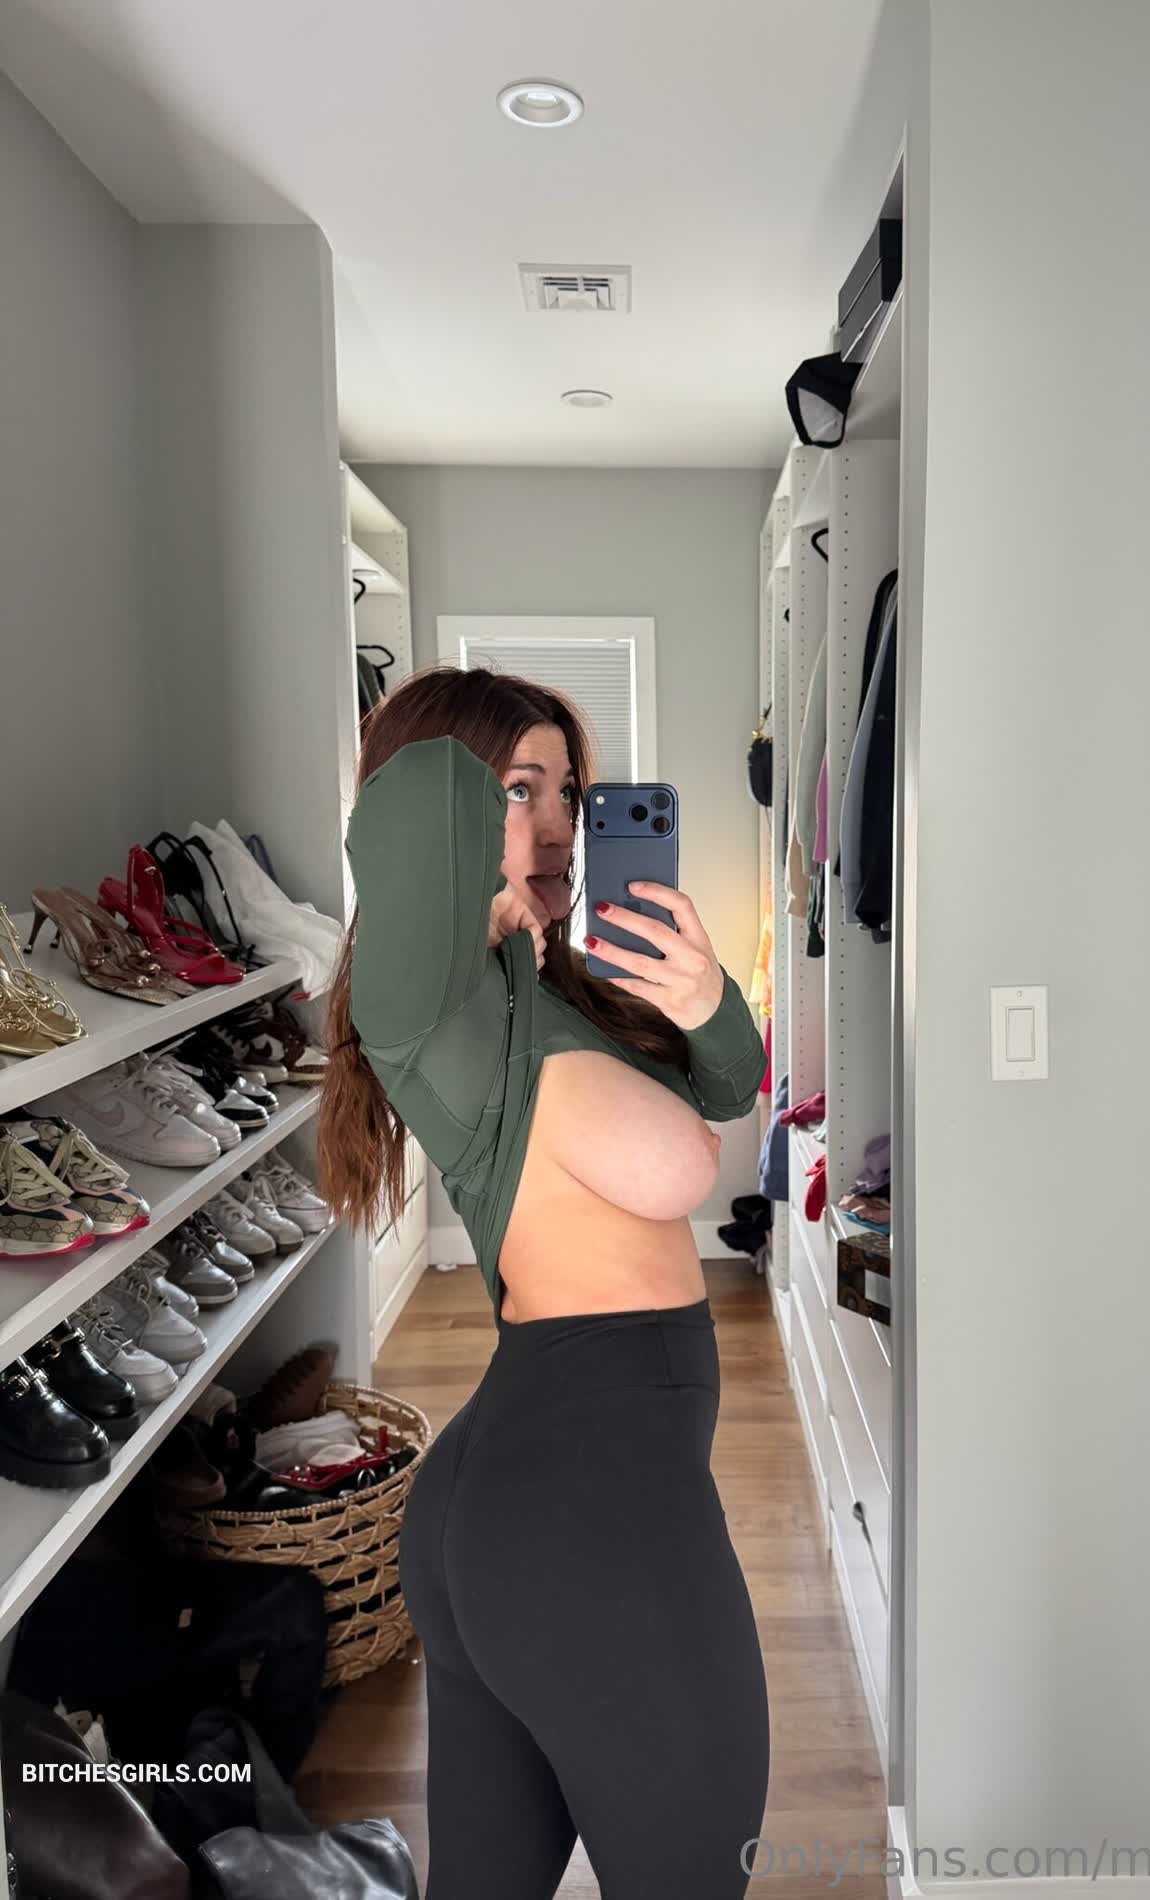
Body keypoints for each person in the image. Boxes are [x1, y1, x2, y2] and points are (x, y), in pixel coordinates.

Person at [318, 663, 771, 1899]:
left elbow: (727, 1086)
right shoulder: (436, 1009)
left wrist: (708, 1000)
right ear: (458, 806)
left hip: (536, 1494)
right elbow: (403, 803)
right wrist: (479, 787)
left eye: (571, 789)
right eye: (520, 790)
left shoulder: (547, 991)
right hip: (586, 1511)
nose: (562, 821)